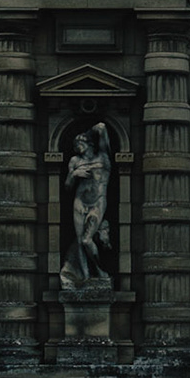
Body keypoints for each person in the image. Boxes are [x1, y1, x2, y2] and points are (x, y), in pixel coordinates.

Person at [62, 123, 112, 287]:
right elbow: (67, 187)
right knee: (79, 241)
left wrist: (88, 132)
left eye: (79, 143)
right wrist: (73, 174)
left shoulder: (102, 157)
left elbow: (102, 127)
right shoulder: (75, 161)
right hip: (79, 202)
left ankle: (100, 271)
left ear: (89, 143)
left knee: (86, 240)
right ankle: (85, 276)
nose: (77, 147)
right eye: (75, 145)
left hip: (97, 201)